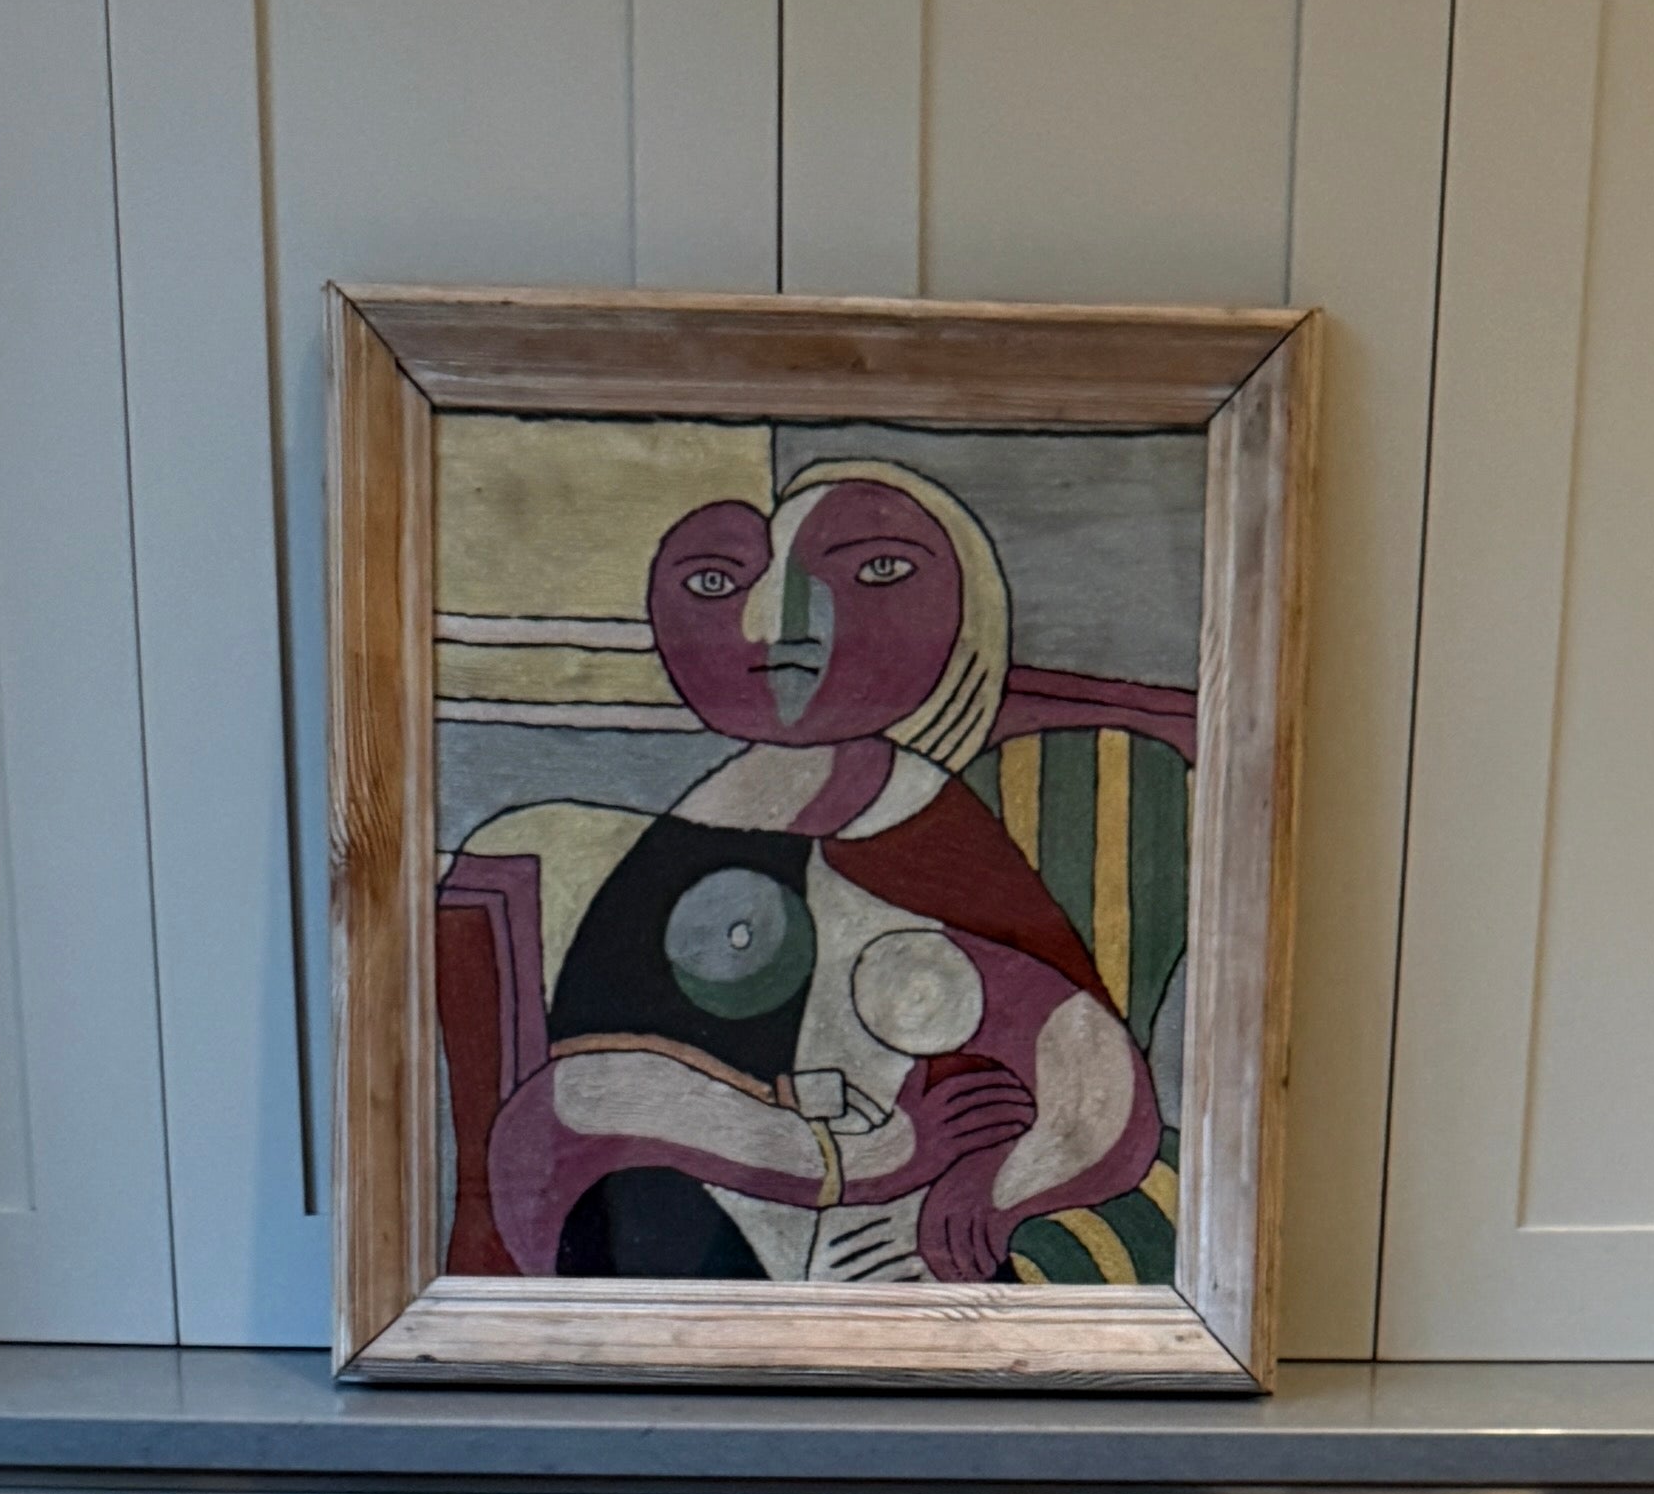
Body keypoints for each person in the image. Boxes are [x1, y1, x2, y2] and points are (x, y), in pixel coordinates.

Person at [468, 465, 1163, 1284]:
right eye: (717, 582)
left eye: (876, 572)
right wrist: (859, 1158)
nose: (779, 627)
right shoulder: (691, 839)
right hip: (710, 1236)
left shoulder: (931, 830)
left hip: (905, 1252)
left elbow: (1092, 1080)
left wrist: (998, 1189)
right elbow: (579, 1104)